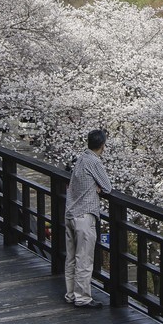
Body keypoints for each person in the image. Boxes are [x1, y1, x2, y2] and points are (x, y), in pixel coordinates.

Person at [64, 129, 112, 309]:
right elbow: (108, 187)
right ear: (102, 146)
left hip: (71, 213)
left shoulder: (81, 158)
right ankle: (83, 297)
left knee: (71, 258)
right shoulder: (94, 161)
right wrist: (98, 187)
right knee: (84, 259)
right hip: (84, 216)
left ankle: (71, 294)